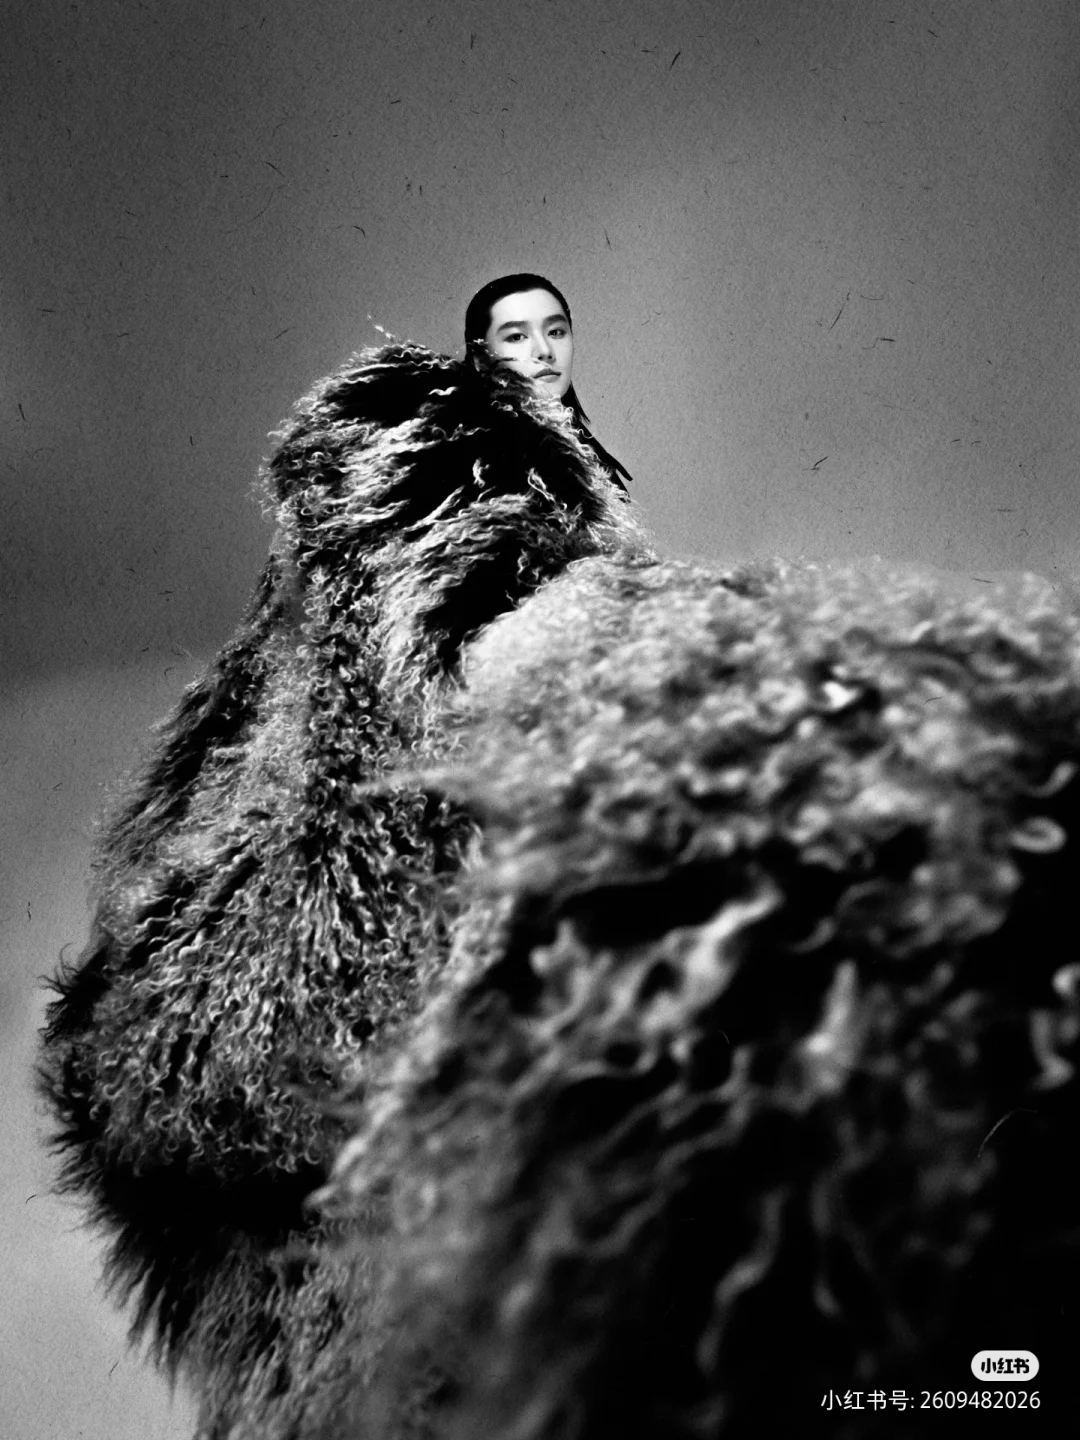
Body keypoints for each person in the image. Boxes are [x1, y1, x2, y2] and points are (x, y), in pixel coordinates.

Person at [464, 271, 633, 492]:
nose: (544, 351)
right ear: (480, 359)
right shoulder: (478, 465)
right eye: (517, 336)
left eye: (555, 332)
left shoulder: (583, 456)